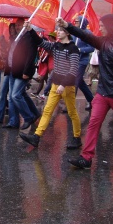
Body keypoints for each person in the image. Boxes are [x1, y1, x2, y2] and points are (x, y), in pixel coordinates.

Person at [58, 14, 113, 169]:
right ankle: (86, 157)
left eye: (102, 26)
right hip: (103, 91)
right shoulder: (102, 42)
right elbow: (84, 35)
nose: (99, 28)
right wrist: (67, 26)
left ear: (110, 26)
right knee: (93, 123)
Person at [19, 22, 82, 150]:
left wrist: (63, 85)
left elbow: (73, 70)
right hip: (55, 85)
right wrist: (30, 30)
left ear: (67, 33)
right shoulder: (56, 46)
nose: (57, 32)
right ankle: (36, 136)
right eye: (57, 30)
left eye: (60, 30)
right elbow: (41, 43)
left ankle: (77, 137)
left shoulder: (73, 48)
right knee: (47, 111)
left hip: (67, 87)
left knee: (72, 113)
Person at [8, 17, 41, 130]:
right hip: (15, 70)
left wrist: (26, 72)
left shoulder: (29, 37)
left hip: (23, 71)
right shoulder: (18, 37)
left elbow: (31, 55)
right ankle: (35, 113)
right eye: (16, 25)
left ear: (25, 25)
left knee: (15, 95)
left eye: (19, 25)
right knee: (22, 94)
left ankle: (28, 117)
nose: (17, 27)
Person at [0, 21, 17, 126]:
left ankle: (14, 120)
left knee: (14, 96)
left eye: (14, 28)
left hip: (15, 70)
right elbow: (5, 53)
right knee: (3, 94)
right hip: (8, 70)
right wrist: (3, 43)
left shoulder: (19, 40)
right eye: (11, 29)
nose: (12, 30)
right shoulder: (10, 40)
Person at [71, 16, 96, 111]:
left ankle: (70, 104)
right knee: (80, 82)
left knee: (75, 82)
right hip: (74, 60)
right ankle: (92, 100)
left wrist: (80, 50)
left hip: (82, 61)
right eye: (75, 21)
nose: (75, 22)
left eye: (77, 21)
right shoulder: (74, 32)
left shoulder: (87, 33)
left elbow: (92, 48)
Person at [31, 31, 55, 101]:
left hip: (50, 65)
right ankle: (48, 92)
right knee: (47, 80)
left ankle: (42, 93)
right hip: (46, 64)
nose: (49, 37)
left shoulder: (54, 45)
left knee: (46, 79)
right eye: (48, 36)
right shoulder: (47, 44)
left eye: (50, 36)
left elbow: (52, 54)